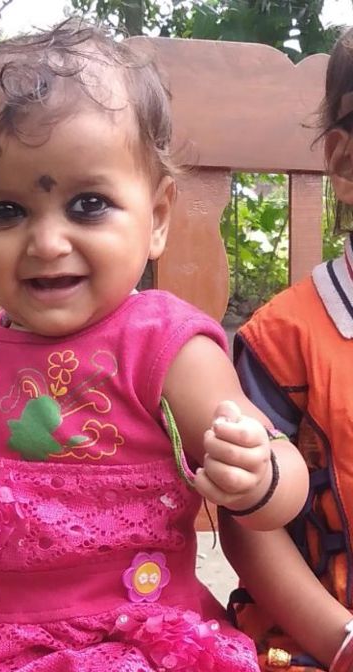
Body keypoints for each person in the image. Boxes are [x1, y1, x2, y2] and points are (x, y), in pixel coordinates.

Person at [0, 20, 309, 672]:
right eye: (4, 211)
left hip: (110, 639)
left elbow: (285, 474)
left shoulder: (166, 348)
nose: (48, 243)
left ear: (157, 217)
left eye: (88, 204)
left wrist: (257, 476)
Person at [220, 26, 353, 672]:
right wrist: (340, 642)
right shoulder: (285, 340)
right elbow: (248, 523)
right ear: (345, 163)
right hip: (315, 641)